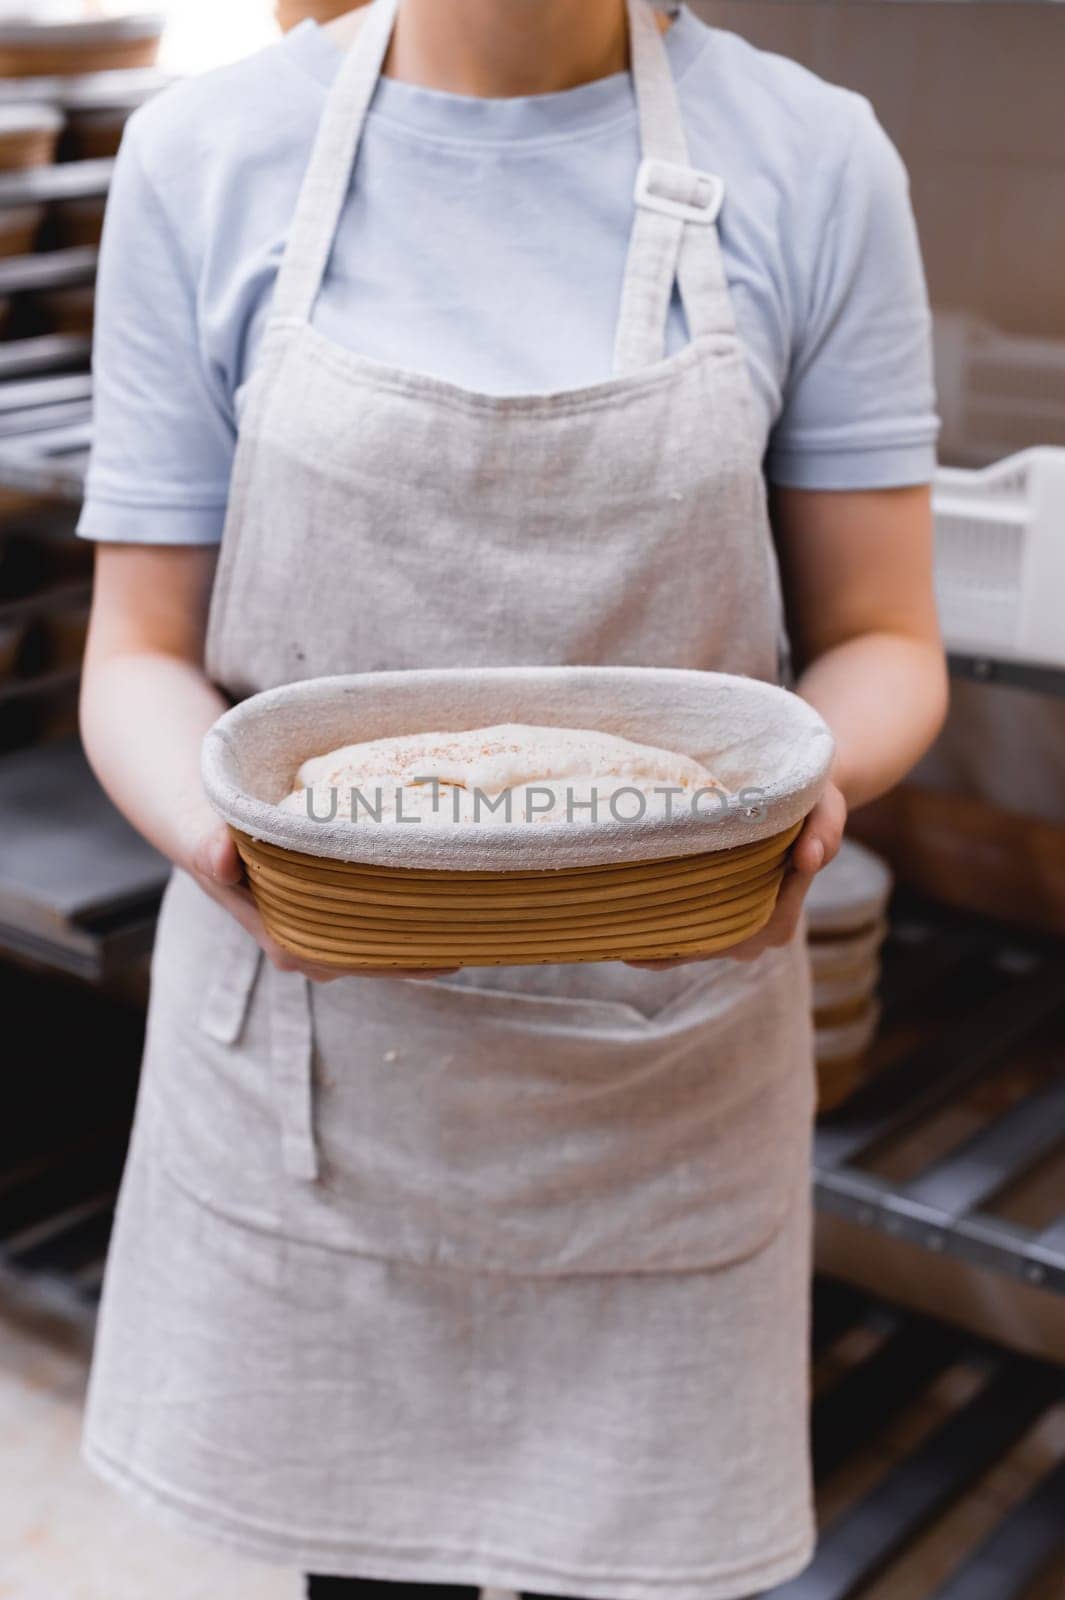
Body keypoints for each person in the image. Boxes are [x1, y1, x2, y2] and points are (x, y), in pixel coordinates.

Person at [77, 1, 948, 1596]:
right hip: (325, 1081)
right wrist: (239, 846)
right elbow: (133, 654)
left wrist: (802, 793)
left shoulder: (812, 161)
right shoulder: (202, 155)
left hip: (661, 1073)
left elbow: (885, 639)